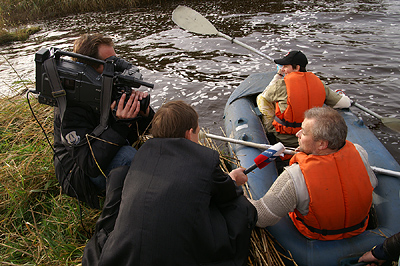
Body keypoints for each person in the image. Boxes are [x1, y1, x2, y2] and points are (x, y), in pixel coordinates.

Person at [82, 100, 257, 266]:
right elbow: (228, 194)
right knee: (243, 208)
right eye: (197, 132)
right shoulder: (205, 159)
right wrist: (234, 180)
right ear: (189, 133)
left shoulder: (141, 154)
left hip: (122, 255)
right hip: (176, 257)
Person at [53, 33, 154, 208]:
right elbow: (89, 164)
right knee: (129, 158)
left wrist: (143, 113)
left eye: (115, 61)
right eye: (108, 64)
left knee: (156, 149)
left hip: (108, 153)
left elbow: (149, 130)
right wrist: (121, 124)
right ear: (88, 69)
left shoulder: (110, 84)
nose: (114, 68)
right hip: (79, 174)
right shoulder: (71, 105)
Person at [250, 106, 377, 241]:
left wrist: (240, 194)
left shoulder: (294, 177)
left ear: (322, 144)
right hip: (358, 229)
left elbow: (261, 218)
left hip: (316, 237)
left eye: (304, 133)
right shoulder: (359, 152)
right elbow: (372, 184)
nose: (297, 134)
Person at [256, 50, 352, 148]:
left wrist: (278, 75)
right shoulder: (319, 84)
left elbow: (264, 96)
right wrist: (340, 95)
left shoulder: (281, 85)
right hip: (312, 139)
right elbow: (344, 103)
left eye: (285, 66)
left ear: (297, 67)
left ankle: (268, 128)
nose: (283, 69)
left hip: (285, 137)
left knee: (261, 98)